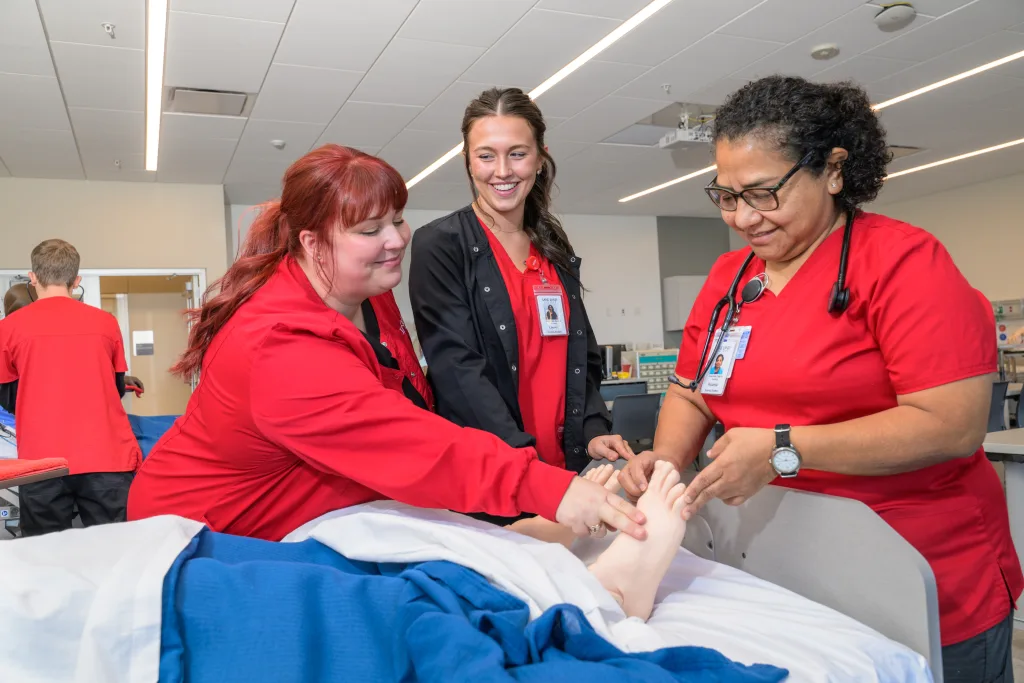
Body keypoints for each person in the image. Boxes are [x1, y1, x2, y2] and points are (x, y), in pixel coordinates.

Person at [619, 75, 1021, 682]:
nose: (743, 217)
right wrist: (667, 463)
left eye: (761, 193)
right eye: (725, 196)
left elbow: (952, 426)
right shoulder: (730, 278)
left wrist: (785, 448)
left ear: (832, 171)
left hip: (918, 569)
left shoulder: (905, 264)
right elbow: (691, 389)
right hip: (788, 562)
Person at [126, 144, 646, 547]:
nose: (397, 239)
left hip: (308, 504)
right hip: (200, 533)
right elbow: (409, 443)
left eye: (397, 219)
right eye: (370, 229)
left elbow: (415, 407)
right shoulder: (278, 346)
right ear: (312, 243)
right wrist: (547, 489)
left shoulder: (370, 296)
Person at [409, 87, 633, 529]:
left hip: (562, 474)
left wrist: (590, 433)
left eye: (517, 154)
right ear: (468, 161)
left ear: (540, 157)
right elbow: (457, 371)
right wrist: (529, 470)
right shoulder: (441, 244)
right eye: (486, 156)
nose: (503, 171)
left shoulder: (552, 246)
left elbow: (580, 356)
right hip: (493, 477)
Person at [0, 240, 140, 537]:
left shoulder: (9, 328)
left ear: (33, 277)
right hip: (107, 459)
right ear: (76, 281)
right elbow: (116, 387)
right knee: (115, 555)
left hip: (43, 462)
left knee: (46, 559)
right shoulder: (106, 322)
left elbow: (7, 397)